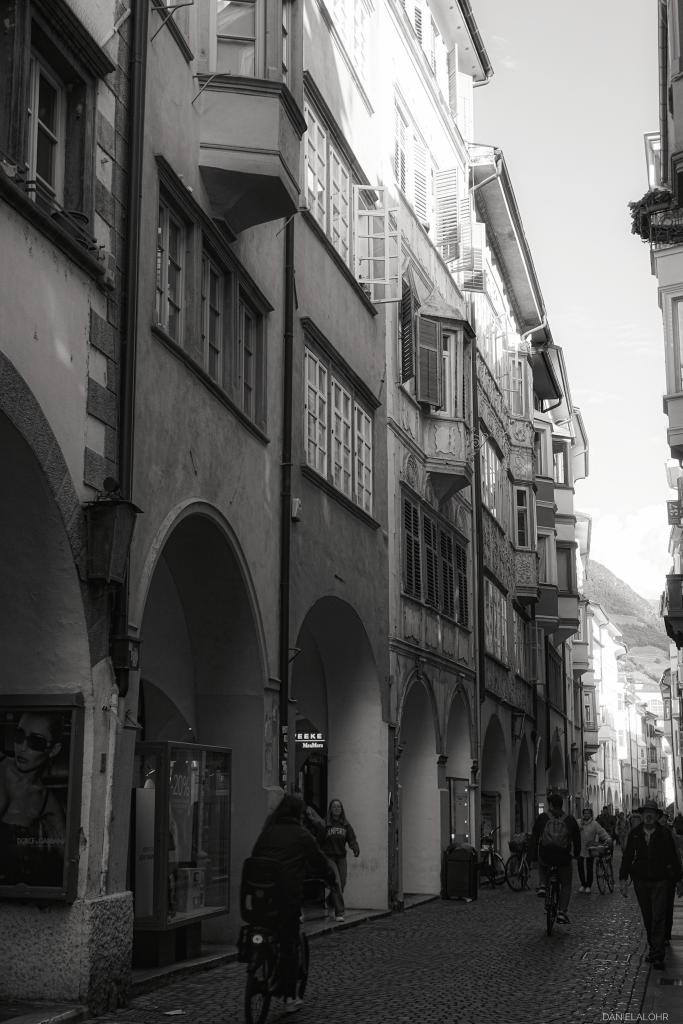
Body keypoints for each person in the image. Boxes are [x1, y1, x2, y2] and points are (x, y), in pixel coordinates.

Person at [250, 794, 337, 1014]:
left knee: (265, 931)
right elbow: (319, 861)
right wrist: (330, 878)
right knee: (289, 943)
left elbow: (255, 857)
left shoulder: (267, 832)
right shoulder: (301, 835)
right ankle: (289, 996)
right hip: (286, 899)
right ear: (298, 814)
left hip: (260, 898)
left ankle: (258, 964)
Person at [0, 711, 67, 887]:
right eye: (19, 736)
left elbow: (71, 858)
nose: (22, 747)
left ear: (53, 750)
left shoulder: (46, 802)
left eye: (36, 742)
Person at [619, 798, 683, 970]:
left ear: (656, 815)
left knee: (659, 917)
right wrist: (623, 879)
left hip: (661, 880)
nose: (648, 815)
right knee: (648, 917)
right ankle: (654, 948)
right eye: (646, 812)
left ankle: (658, 954)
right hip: (641, 880)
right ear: (642, 815)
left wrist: (678, 880)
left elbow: (672, 857)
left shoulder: (664, 834)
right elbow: (627, 857)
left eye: (652, 813)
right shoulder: (635, 833)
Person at [530, 794, 580, 923]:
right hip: (563, 857)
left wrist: (533, 857)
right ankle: (562, 912)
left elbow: (534, 838)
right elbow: (577, 839)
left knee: (542, 862)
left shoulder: (543, 818)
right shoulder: (569, 820)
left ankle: (542, 885)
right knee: (566, 884)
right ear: (562, 804)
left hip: (546, 856)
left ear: (550, 805)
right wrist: (576, 854)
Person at [320, 798, 360, 923]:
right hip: (329, 857)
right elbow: (319, 840)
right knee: (336, 882)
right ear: (330, 810)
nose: (337, 809)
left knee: (342, 883)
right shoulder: (325, 824)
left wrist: (355, 848)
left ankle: (329, 900)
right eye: (334, 807)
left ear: (342, 810)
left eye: (339, 807)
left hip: (341, 857)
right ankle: (339, 912)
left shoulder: (345, 825)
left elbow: (351, 838)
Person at [577, 806, 611, 894]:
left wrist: (607, 838)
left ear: (591, 814)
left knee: (589, 867)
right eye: (585, 813)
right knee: (580, 867)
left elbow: (601, 832)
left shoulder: (594, 824)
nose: (586, 815)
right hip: (579, 848)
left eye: (588, 813)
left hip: (590, 848)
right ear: (583, 814)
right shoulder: (579, 822)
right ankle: (582, 884)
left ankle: (588, 885)